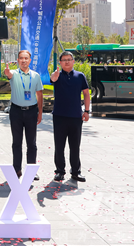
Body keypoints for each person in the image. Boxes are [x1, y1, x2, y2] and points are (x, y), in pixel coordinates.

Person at [49, 51, 90, 182]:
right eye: (64, 60)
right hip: (59, 116)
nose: (66, 62)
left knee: (75, 145)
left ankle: (76, 172)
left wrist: (87, 111)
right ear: (60, 62)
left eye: (69, 59)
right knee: (59, 145)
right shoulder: (57, 75)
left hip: (76, 116)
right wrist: (54, 76)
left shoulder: (80, 76)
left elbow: (86, 93)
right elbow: (52, 79)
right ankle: (60, 171)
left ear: (73, 61)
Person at [4, 50, 43, 180]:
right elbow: (9, 75)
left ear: (30, 60)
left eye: (26, 58)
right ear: (18, 60)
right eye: (21, 58)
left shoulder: (35, 76)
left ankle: (32, 171)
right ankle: (17, 169)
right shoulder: (14, 74)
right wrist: (7, 73)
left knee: (31, 143)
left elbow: (39, 94)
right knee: (16, 142)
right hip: (16, 112)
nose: (23, 60)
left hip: (31, 111)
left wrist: (40, 112)